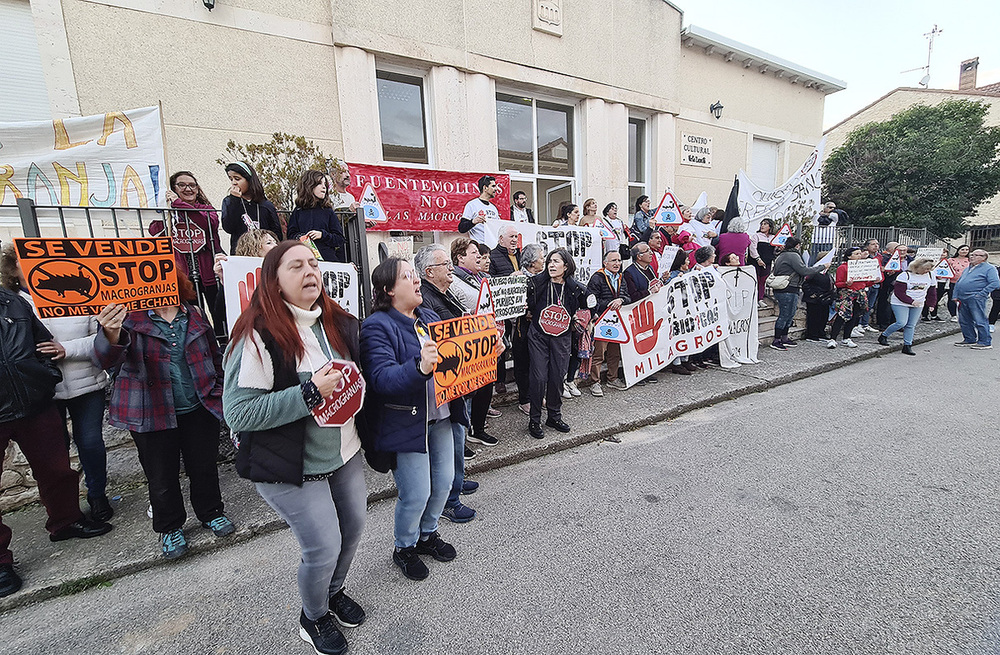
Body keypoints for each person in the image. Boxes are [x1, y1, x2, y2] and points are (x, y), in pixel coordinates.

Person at [222, 241, 367, 655]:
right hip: (292, 467)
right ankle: (314, 616)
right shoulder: (258, 335)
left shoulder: (336, 322)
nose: (310, 273)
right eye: (296, 266)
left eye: (314, 265)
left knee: (353, 530)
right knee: (323, 547)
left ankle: (332, 593)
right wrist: (309, 393)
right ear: (273, 280)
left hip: (344, 453)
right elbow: (240, 414)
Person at [94, 273, 235, 560]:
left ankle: (211, 512)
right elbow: (105, 360)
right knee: (160, 475)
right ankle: (170, 527)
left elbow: (214, 353)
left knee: (204, 466)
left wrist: (219, 388)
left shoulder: (193, 314)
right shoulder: (129, 318)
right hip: (151, 410)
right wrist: (110, 332)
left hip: (199, 405)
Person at [0, 281, 112, 598]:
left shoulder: (13, 303)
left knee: (57, 469)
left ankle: (65, 522)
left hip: (35, 403)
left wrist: (45, 378)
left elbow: (42, 342)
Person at [360, 257, 468, 581]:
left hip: (442, 416)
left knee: (445, 481)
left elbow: (457, 357)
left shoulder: (429, 316)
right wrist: (419, 367)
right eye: (408, 276)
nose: (417, 280)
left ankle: (427, 533)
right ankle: (404, 547)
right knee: (416, 492)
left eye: (415, 275)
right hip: (407, 423)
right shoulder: (377, 326)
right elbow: (381, 378)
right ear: (388, 290)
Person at [0, 244, 113, 521]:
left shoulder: (78, 292)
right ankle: (67, 510)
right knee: (56, 455)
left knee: (90, 442)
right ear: (13, 268)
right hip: (43, 393)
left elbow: (100, 338)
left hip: (86, 383)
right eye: (24, 261)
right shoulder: (11, 302)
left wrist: (66, 349)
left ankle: (97, 494)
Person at [413, 244, 483, 524]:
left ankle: (456, 479)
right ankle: (449, 500)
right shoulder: (426, 300)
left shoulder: (446, 293)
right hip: (446, 380)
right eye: (445, 264)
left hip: (459, 376)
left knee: (459, 434)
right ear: (430, 272)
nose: (451, 267)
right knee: (452, 439)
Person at [526, 249, 593, 439]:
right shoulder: (536, 284)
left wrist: (580, 321)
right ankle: (534, 419)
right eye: (549, 261)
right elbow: (526, 304)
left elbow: (589, 305)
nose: (552, 265)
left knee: (557, 377)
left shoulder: (575, 288)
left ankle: (554, 416)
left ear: (566, 266)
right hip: (538, 337)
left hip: (562, 338)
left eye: (556, 261)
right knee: (539, 378)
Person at [150, 171, 226, 331]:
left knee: (219, 313)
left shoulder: (206, 209)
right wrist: (166, 210)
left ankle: (222, 342)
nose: (188, 189)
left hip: (208, 272)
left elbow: (207, 224)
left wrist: (179, 204)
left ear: (198, 189)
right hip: (184, 273)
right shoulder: (169, 213)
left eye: (192, 185)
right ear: (173, 189)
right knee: (193, 315)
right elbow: (154, 231)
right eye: (182, 185)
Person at [769, 237, 829, 351]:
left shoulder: (782, 255)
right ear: (797, 245)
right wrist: (822, 266)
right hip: (788, 287)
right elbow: (804, 271)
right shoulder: (793, 255)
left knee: (790, 314)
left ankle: (784, 337)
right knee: (785, 314)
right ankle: (777, 339)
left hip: (788, 287)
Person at [586, 250, 629, 396]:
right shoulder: (597, 278)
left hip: (617, 321)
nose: (617, 263)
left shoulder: (621, 278)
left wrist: (621, 300)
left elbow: (627, 296)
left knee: (615, 352)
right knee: (599, 353)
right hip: (601, 320)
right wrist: (610, 303)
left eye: (619, 260)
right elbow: (592, 300)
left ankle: (613, 378)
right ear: (605, 263)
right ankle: (595, 382)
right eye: (613, 261)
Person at [878, 258, 937, 356]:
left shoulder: (931, 275)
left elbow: (932, 291)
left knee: (911, 325)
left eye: (928, 269)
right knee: (901, 322)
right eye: (925, 269)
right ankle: (884, 335)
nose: (927, 271)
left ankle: (907, 345)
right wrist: (911, 301)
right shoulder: (905, 276)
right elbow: (899, 293)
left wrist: (931, 304)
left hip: (919, 302)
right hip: (901, 302)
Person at [220, 161, 282, 253]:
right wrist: (234, 200)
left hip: (264, 254)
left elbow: (276, 233)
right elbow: (228, 227)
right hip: (240, 254)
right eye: (231, 179)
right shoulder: (229, 202)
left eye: (237, 179)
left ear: (249, 180)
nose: (234, 183)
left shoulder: (265, 205)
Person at [489, 225, 521, 394]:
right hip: (501, 310)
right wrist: (509, 278)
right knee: (500, 344)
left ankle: (517, 373)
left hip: (518, 308)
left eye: (516, 236)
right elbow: (490, 280)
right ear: (501, 239)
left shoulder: (519, 255)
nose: (515, 240)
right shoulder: (493, 257)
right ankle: (499, 380)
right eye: (511, 237)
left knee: (517, 344)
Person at [287, 170, 347, 263]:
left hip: (327, 262)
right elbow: (291, 236)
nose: (324, 187)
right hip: (304, 261)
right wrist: (302, 237)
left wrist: (322, 235)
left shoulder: (328, 211)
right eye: (319, 183)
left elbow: (339, 239)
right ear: (309, 186)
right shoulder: (298, 211)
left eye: (325, 185)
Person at [513, 244, 545, 415]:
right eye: (541, 258)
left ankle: (538, 395)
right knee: (523, 364)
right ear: (532, 262)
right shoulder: (517, 278)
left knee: (538, 364)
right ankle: (524, 399)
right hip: (522, 329)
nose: (544, 261)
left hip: (540, 329)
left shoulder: (544, 278)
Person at [827, 247, 874, 349]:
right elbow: (838, 283)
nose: (859, 256)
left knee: (854, 316)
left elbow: (865, 282)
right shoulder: (843, 267)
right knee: (842, 315)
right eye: (856, 254)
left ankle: (846, 337)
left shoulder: (862, 267)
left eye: (859, 254)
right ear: (849, 256)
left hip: (859, 294)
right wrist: (846, 283)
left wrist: (874, 280)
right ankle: (833, 338)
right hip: (847, 294)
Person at [953, 249, 1000, 349]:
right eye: (972, 254)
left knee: (979, 319)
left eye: (976, 255)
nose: (972, 256)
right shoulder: (968, 268)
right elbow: (959, 282)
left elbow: (995, 283)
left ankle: (985, 341)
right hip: (963, 298)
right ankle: (969, 339)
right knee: (964, 320)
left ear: (984, 258)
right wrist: (955, 295)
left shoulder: (989, 268)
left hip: (976, 297)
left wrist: (981, 294)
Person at [457, 175, 501, 242]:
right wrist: (473, 221)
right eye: (493, 186)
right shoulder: (472, 205)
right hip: (479, 246)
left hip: (492, 246)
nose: (496, 189)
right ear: (485, 188)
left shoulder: (493, 208)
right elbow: (461, 228)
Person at [939, 244, 971, 322]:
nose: (965, 251)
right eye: (962, 249)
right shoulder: (951, 260)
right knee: (952, 298)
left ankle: (964, 314)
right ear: (958, 250)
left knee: (965, 299)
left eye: (966, 250)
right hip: (953, 282)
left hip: (966, 283)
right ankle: (953, 315)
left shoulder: (970, 260)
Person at [802, 266, 835, 342]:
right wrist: (812, 294)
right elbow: (805, 284)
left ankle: (821, 333)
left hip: (824, 298)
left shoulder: (826, 274)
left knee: (823, 316)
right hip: (814, 299)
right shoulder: (813, 273)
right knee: (814, 317)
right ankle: (812, 335)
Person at [749, 218, 776, 306]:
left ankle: (760, 298)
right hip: (756, 262)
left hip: (767, 262)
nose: (762, 226)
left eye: (765, 224)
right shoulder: (756, 236)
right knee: (755, 280)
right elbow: (752, 248)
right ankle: (753, 299)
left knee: (763, 281)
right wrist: (758, 259)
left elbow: (775, 251)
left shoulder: (773, 237)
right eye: (762, 224)